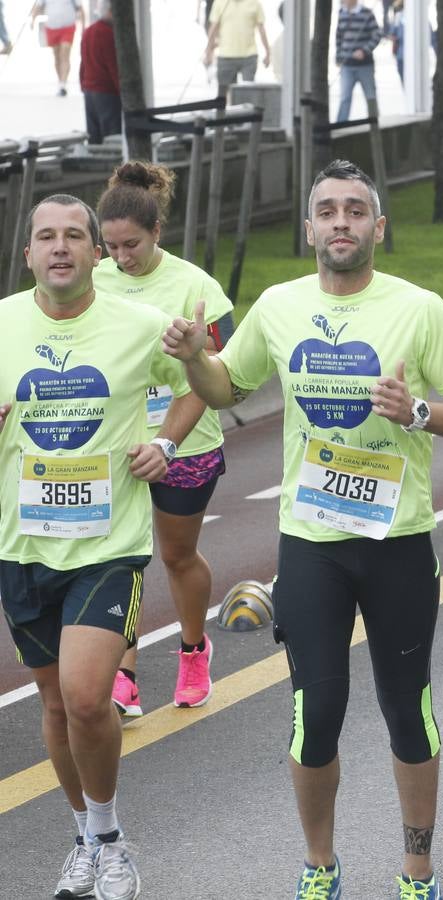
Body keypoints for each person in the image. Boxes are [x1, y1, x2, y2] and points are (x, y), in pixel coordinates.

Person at [162, 159, 443, 900]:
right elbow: (228, 386)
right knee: (315, 715)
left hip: (398, 543)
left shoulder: (419, 308)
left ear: (379, 227)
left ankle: (417, 872)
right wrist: (194, 361)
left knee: (407, 710)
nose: (340, 222)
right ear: (309, 226)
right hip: (312, 543)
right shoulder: (279, 306)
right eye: (327, 211)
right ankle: (320, 866)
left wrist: (418, 412)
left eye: (355, 211)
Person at [2, 194, 205, 900]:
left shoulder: (141, 324)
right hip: (22, 545)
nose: (60, 247)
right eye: (45, 237)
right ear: (27, 253)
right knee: (56, 708)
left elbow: (199, 384)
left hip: (107, 543)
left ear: (96, 254)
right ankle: (83, 839)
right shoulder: (0, 326)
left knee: (90, 699)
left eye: (75, 237)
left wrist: (164, 442)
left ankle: (112, 840)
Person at [92, 162, 234, 717]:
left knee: (176, 555)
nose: (121, 258)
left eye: (132, 245)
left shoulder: (195, 285)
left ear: (157, 234)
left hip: (186, 442)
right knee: (120, 558)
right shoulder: (93, 278)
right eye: (111, 247)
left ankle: (194, 649)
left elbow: (215, 376)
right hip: (113, 445)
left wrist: (168, 443)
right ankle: (124, 674)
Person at [204, 0, 270, 100]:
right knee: (223, 95)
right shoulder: (220, 3)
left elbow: (262, 29)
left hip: (249, 56)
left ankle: (245, 115)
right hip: (226, 56)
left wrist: (268, 52)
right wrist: (209, 52)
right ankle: (224, 115)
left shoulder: (255, 3)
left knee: (249, 94)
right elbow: (213, 28)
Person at [79, 1, 120, 145]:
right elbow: (113, 65)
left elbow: (83, 63)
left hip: (89, 90)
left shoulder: (88, 31)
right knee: (112, 137)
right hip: (107, 92)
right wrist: (122, 91)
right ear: (110, 11)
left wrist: (83, 86)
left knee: (94, 137)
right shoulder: (109, 33)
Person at [335, 0, 381, 122]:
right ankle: (340, 126)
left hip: (365, 65)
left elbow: (377, 35)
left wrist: (364, 51)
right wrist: (338, 57)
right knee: (345, 97)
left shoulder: (367, 13)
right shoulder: (341, 13)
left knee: (370, 96)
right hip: (347, 65)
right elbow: (339, 36)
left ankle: (375, 124)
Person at [30, 0, 82, 95]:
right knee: (57, 56)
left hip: (68, 26)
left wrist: (83, 27)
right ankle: (60, 81)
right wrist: (33, 20)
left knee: (65, 53)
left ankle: (63, 84)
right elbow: (38, 6)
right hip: (51, 27)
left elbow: (80, 8)